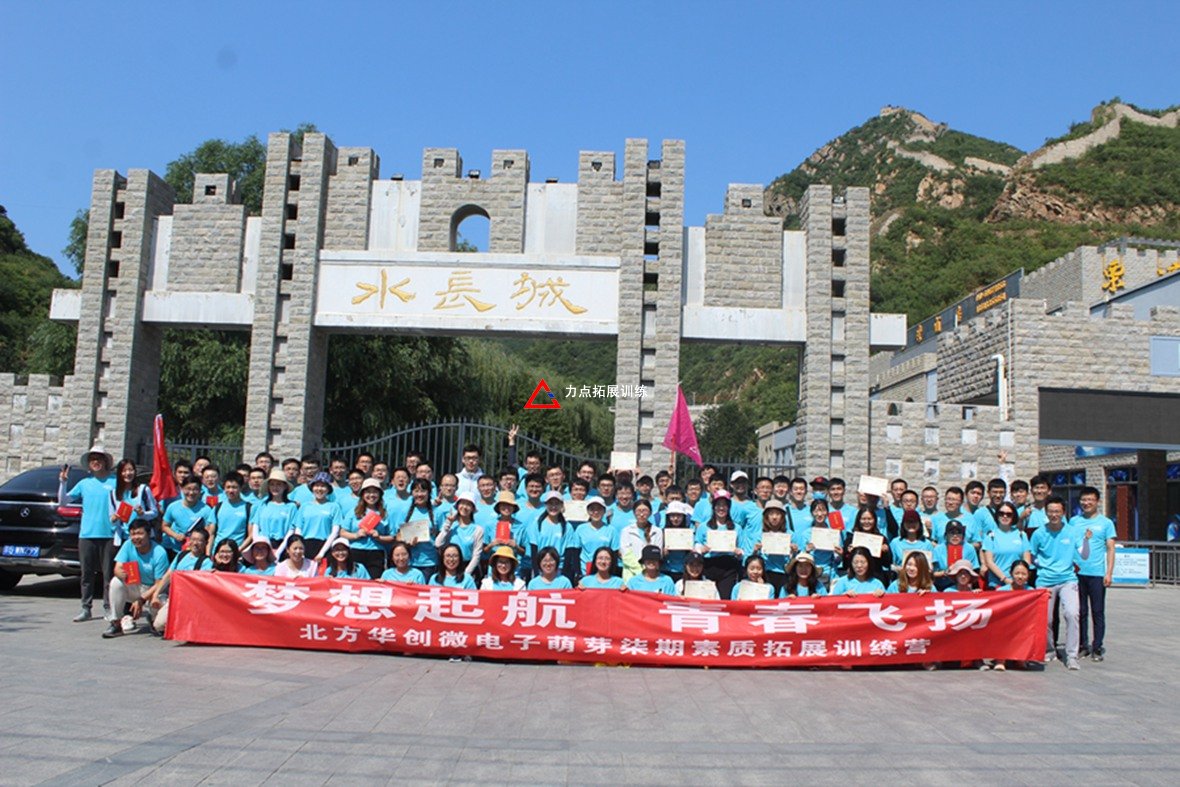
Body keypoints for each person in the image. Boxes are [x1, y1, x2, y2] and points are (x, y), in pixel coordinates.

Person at [1030, 495, 1092, 670]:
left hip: (1067, 579)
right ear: (1046, 512)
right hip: (1045, 580)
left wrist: (1086, 540)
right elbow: (1031, 555)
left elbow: (1084, 555)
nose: (1054, 515)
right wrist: (1041, 564)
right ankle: (1049, 650)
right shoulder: (1039, 533)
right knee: (1046, 620)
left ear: (1063, 512)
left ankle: (1072, 655)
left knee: (1072, 614)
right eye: (1050, 511)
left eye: (1057, 511)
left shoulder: (1072, 531)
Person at [59, 446, 118, 623]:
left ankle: (109, 607)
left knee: (108, 575)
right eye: (93, 459)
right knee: (86, 574)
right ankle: (86, 608)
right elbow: (64, 501)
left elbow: (125, 502)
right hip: (87, 534)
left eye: (99, 458)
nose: (96, 462)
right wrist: (62, 483)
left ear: (105, 461)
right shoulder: (84, 484)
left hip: (109, 534)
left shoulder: (115, 481)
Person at [102, 519, 170, 638]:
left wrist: (141, 600)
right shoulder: (127, 545)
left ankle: (153, 619)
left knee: (159, 602)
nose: (136, 538)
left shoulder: (159, 552)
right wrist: (120, 573)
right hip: (135, 586)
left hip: (153, 590)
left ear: (149, 534)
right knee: (116, 582)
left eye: (140, 533)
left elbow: (159, 583)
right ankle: (116, 623)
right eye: (133, 534)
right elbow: (117, 568)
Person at [1071, 486, 1116, 661]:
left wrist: (1109, 573)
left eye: (1090, 499)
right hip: (1077, 574)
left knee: (1097, 611)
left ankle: (1097, 646)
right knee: (1080, 611)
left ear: (1097, 501)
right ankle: (1083, 645)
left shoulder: (1106, 523)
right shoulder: (1073, 521)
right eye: (1084, 499)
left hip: (1097, 574)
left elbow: (1110, 549)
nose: (1086, 503)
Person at [147, 526, 214, 635]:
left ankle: (179, 622)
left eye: (199, 540)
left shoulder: (207, 562)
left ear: (206, 543)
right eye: (193, 539)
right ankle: (161, 617)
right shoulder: (181, 555)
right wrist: (155, 595)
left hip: (190, 601)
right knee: (158, 624)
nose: (195, 543)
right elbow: (168, 575)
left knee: (163, 624)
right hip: (174, 597)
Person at [695, 489, 744, 599]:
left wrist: (739, 553)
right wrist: (701, 549)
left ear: (729, 507)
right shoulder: (703, 526)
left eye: (724, 505)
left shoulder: (737, 528)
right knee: (708, 598)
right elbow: (697, 544)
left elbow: (742, 549)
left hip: (728, 567)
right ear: (713, 507)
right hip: (709, 565)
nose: (721, 508)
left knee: (725, 598)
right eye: (718, 505)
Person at [341, 478, 392, 580]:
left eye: (375, 492)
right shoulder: (353, 512)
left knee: (374, 582)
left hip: (376, 553)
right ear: (362, 494)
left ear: (380, 494)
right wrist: (356, 535)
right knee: (355, 582)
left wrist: (379, 537)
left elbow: (392, 536)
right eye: (368, 492)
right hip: (356, 551)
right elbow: (342, 532)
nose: (371, 495)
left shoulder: (385, 513)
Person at [109, 458, 158, 549]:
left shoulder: (143, 490)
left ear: (135, 472)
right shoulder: (113, 493)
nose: (128, 473)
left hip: (142, 538)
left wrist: (143, 514)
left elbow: (154, 513)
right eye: (124, 471)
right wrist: (114, 519)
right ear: (119, 473)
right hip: (124, 538)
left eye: (130, 470)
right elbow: (111, 518)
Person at [161, 476, 215, 558]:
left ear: (200, 491)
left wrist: (207, 554)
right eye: (188, 489)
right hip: (175, 550)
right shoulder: (173, 507)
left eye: (195, 489)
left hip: (196, 552)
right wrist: (175, 535)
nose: (191, 492)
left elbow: (209, 534)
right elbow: (164, 526)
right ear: (182, 489)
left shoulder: (206, 509)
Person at [435, 491, 484, 580]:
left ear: (473, 509)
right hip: (450, 566)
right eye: (462, 503)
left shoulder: (478, 530)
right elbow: (438, 543)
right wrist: (448, 523)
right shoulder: (451, 526)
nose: (464, 507)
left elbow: (476, 555)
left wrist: (465, 575)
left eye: (468, 505)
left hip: (468, 568)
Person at [529, 491, 577, 584]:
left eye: (556, 504)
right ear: (545, 505)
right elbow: (534, 550)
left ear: (562, 505)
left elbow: (568, 552)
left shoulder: (568, 527)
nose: (553, 507)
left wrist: (564, 574)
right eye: (550, 503)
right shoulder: (537, 524)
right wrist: (536, 572)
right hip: (541, 568)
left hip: (559, 570)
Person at [982, 501, 1032, 588]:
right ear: (997, 515)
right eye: (1001, 513)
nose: (1005, 516)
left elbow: (1026, 561)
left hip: (1018, 584)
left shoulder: (1021, 535)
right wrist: (1005, 579)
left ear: (1013, 516)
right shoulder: (991, 536)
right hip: (997, 584)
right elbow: (989, 562)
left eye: (1009, 514)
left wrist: (1020, 577)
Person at [294, 473, 342, 561]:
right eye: (316, 486)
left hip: (325, 545)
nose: (319, 489)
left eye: (323, 486)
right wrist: (300, 549)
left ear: (328, 489)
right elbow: (298, 529)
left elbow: (335, 532)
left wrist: (321, 553)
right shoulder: (304, 506)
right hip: (305, 544)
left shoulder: (334, 507)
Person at [248, 469, 299, 550]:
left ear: (285, 486)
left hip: (282, 545)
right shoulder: (263, 505)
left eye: (279, 484)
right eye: (272, 484)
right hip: (262, 544)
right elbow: (256, 526)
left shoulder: (291, 506)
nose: (275, 487)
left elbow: (291, 530)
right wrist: (258, 544)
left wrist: (279, 551)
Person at [574, 497, 618, 578]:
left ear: (604, 511)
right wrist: (578, 572)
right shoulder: (580, 529)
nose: (596, 512)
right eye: (592, 509)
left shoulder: (611, 530)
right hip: (585, 571)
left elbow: (614, 554)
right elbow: (575, 552)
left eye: (599, 509)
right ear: (588, 511)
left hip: (605, 571)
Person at [619, 499, 662, 582]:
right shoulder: (626, 531)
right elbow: (625, 554)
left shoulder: (657, 531)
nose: (642, 514)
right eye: (639, 511)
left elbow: (657, 554)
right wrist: (641, 571)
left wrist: (647, 571)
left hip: (651, 574)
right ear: (634, 513)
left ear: (650, 513)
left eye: (645, 510)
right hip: (631, 575)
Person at [932, 520, 980, 589]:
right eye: (952, 533)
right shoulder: (938, 549)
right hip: (942, 586)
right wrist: (945, 572)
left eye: (958, 533)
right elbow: (932, 573)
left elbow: (975, 569)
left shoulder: (969, 548)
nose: (955, 536)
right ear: (946, 535)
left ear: (963, 535)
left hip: (964, 586)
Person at [212, 472, 252, 551]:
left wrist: (238, 550)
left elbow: (251, 535)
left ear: (241, 488)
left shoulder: (249, 508)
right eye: (228, 487)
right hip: (218, 551)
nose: (231, 490)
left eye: (234, 487)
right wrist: (208, 553)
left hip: (238, 551)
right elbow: (211, 534)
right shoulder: (218, 507)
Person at [758, 500, 791, 593]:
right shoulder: (760, 535)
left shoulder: (790, 535)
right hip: (766, 573)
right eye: (771, 514)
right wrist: (756, 550)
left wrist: (794, 551)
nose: (774, 517)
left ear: (782, 517)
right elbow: (754, 558)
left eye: (778, 514)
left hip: (784, 573)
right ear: (766, 517)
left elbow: (794, 559)